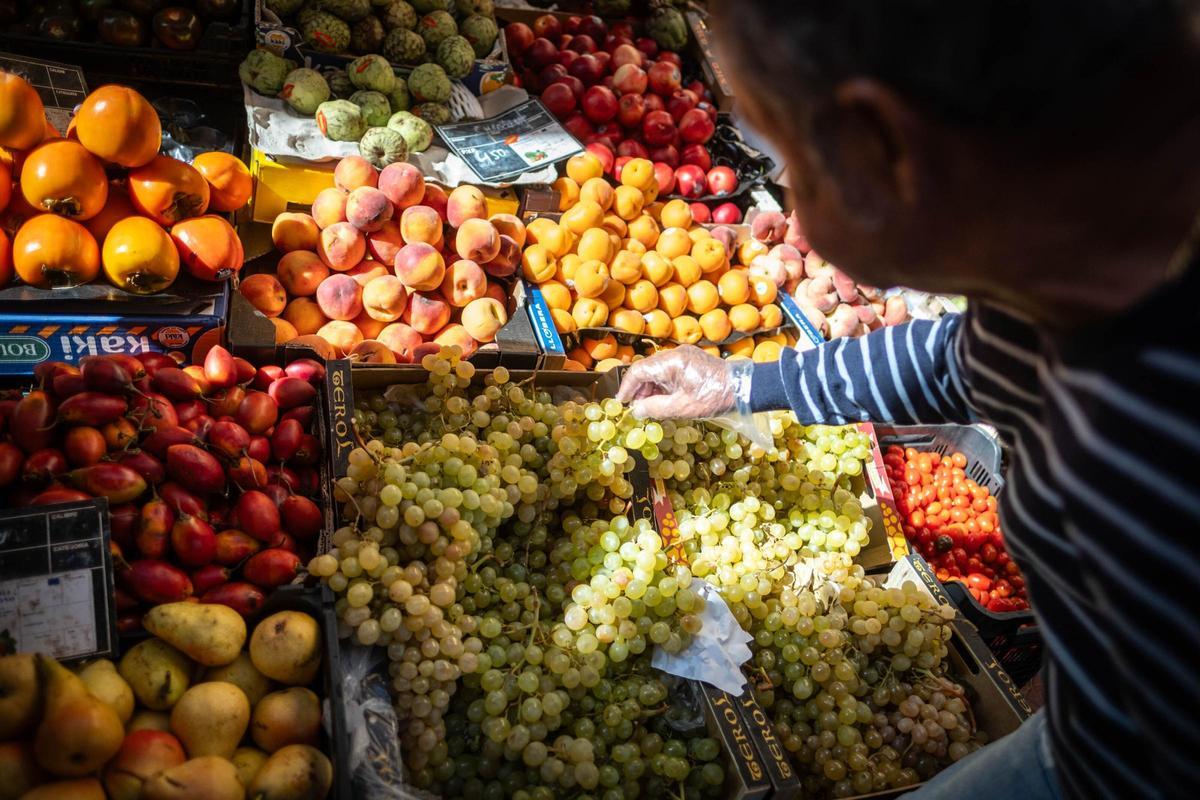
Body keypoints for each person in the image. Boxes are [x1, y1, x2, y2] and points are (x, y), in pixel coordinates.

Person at [616, 2, 1200, 799]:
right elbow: (962, 360)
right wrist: (748, 384)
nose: (786, 197)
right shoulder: (1085, 262)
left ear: (880, 145)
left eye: (784, 156)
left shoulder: (1143, 442)